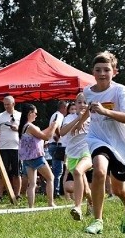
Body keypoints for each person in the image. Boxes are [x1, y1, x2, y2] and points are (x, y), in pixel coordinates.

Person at [82, 51, 125, 234]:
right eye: (98, 70)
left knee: (118, 189)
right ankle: (98, 221)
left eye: (106, 70)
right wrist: (78, 123)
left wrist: (106, 112)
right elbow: (89, 112)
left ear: (114, 71)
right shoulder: (87, 92)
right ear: (93, 72)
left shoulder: (120, 91)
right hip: (97, 138)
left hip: (119, 144)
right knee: (99, 171)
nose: (102, 74)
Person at [17, 104, 60, 208]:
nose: (36, 115)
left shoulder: (24, 126)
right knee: (51, 178)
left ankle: (31, 206)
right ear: (30, 113)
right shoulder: (30, 126)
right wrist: (54, 126)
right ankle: (50, 203)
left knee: (32, 184)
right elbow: (46, 136)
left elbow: (40, 133)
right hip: (37, 157)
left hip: (27, 159)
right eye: (35, 113)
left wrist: (50, 127)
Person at [59, 92, 92, 220]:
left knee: (78, 172)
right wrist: (78, 119)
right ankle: (91, 202)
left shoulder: (93, 117)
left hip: (87, 151)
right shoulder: (68, 118)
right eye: (79, 102)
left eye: (85, 102)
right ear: (74, 104)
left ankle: (77, 207)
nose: (82, 105)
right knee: (86, 189)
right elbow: (62, 132)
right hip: (72, 154)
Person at [0, 95, 22, 201]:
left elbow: (25, 130)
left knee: (17, 173)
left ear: (13, 104)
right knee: (2, 173)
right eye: (4, 104)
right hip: (3, 148)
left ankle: (17, 195)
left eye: (8, 104)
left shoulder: (20, 115)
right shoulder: (0, 116)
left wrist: (17, 128)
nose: (6, 106)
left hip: (17, 148)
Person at [47, 100, 68, 197]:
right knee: (58, 170)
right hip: (56, 144)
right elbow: (56, 125)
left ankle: (56, 190)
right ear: (63, 107)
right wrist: (60, 135)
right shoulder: (59, 115)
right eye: (67, 108)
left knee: (57, 169)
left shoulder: (55, 114)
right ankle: (56, 191)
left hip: (53, 144)